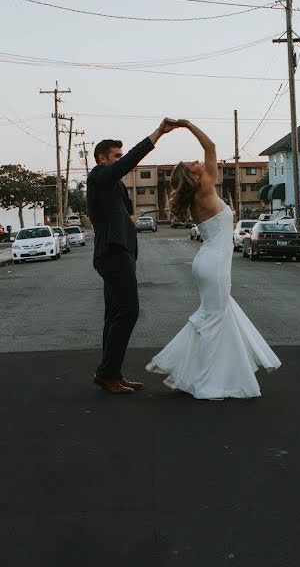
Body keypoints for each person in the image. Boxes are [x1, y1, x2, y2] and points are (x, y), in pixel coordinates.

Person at [146, 120, 280, 399]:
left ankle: (214, 374)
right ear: (193, 176)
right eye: (194, 164)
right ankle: (204, 383)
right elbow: (211, 146)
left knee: (217, 318)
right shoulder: (205, 189)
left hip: (206, 263)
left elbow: (208, 152)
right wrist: (186, 125)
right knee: (212, 321)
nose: (200, 162)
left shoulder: (199, 193)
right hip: (214, 265)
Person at [87, 118, 181, 395]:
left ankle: (110, 373)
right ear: (102, 159)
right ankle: (108, 374)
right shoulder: (98, 176)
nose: (120, 160)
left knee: (114, 314)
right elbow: (129, 161)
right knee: (129, 312)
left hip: (119, 253)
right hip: (113, 254)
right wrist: (158, 134)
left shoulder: (112, 185)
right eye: (115, 156)